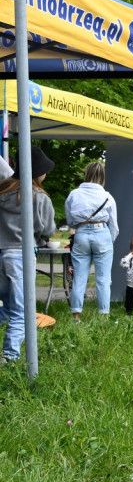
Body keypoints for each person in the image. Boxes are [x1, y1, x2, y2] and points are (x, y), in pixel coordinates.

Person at [0, 146, 56, 360]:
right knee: (21, 312)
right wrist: (39, 239)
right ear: (38, 172)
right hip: (21, 256)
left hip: (1, 254)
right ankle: (9, 357)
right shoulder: (39, 197)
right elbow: (48, 229)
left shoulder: (2, 190)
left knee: (8, 308)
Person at [66, 162, 118, 322]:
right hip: (102, 233)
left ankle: (76, 315)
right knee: (103, 278)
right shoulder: (107, 196)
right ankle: (104, 315)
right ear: (102, 176)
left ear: (86, 174)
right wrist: (108, 241)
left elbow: (70, 221)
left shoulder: (74, 194)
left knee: (80, 277)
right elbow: (114, 226)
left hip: (81, 233)